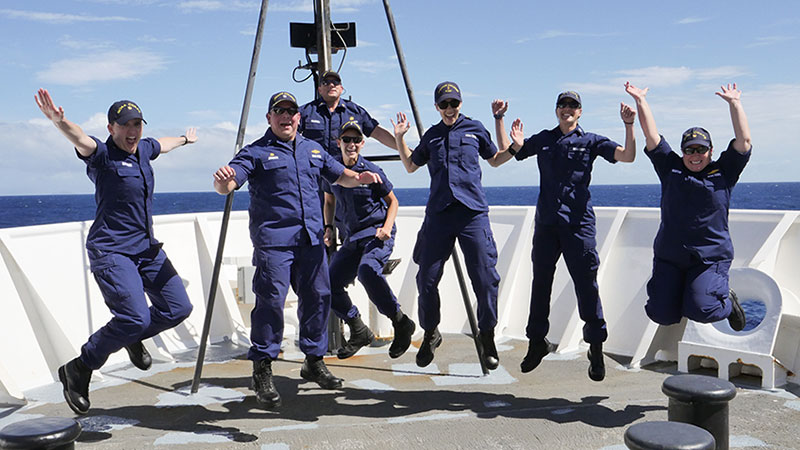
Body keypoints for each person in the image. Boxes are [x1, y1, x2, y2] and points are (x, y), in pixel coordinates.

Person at [213, 91, 382, 409]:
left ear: (298, 117)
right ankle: (262, 368)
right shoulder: (257, 152)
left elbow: (339, 175)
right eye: (279, 111)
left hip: (312, 241)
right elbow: (229, 181)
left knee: (319, 298)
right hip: (274, 242)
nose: (286, 116)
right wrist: (222, 183)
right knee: (271, 303)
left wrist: (360, 178)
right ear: (269, 118)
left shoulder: (313, 149)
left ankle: (313, 360)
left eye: (291, 111)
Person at [35, 88, 196, 415]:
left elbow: (160, 145)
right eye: (126, 126)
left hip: (147, 250)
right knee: (134, 317)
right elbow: (80, 138)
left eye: (137, 124)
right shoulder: (103, 155)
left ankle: (130, 335)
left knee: (179, 307)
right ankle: (80, 366)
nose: (133, 131)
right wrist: (59, 121)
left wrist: (183, 138)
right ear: (112, 128)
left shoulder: (143, 149)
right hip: (112, 251)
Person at [491, 91, 636, 382]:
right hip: (547, 225)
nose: (567, 109)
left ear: (580, 112)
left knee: (586, 285)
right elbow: (508, 152)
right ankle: (537, 342)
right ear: (556, 110)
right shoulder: (544, 139)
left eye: (573, 106)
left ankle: (595, 347)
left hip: (578, 225)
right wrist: (500, 120)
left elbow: (628, 156)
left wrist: (629, 126)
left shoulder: (591, 141)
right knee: (540, 284)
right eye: (563, 105)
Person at [392, 81, 503, 370]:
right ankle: (431, 332)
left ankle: (487, 334)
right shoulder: (432, 135)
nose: (450, 109)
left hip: (471, 214)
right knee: (426, 280)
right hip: (439, 215)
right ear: (437, 107)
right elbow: (410, 165)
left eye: (454, 103)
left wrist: (507, 133)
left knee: (485, 279)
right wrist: (400, 138)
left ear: (461, 104)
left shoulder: (475, 129)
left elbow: (495, 160)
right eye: (444, 104)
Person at [624, 82, 749, 331]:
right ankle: (690, 293)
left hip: (710, 256)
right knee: (660, 314)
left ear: (710, 151)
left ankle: (726, 300)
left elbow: (743, 141)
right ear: (682, 152)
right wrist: (640, 100)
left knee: (704, 309)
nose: (695, 155)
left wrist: (735, 104)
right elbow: (651, 136)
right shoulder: (670, 168)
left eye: (701, 150)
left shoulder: (724, 171)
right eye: (689, 150)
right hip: (670, 255)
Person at [322, 120, 416, 360]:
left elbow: (393, 201)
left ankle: (400, 322)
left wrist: (386, 227)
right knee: (329, 285)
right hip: (352, 238)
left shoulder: (373, 171)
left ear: (362, 144)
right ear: (338, 142)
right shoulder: (333, 172)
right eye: (347, 140)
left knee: (367, 271)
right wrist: (329, 227)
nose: (351, 144)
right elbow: (329, 200)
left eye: (356, 140)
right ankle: (358, 329)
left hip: (376, 232)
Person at [299, 70, 397, 156]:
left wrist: (405, 150)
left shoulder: (355, 112)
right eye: (326, 83)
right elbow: (288, 135)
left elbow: (378, 133)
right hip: (315, 170)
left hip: (345, 171)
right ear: (320, 89)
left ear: (341, 89)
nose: (331, 85)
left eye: (335, 82)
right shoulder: (306, 112)